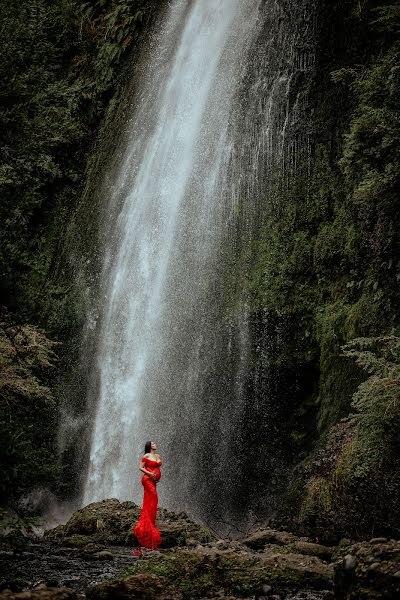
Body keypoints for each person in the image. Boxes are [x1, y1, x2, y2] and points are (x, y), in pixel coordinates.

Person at [132, 440, 162, 555]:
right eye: (153, 444)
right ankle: (146, 525)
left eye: (155, 443)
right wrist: (150, 474)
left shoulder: (158, 456)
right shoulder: (146, 455)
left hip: (154, 481)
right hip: (147, 479)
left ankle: (150, 522)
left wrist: (157, 478)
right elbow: (141, 468)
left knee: (153, 501)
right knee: (154, 497)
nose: (155, 444)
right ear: (149, 446)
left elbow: (158, 469)